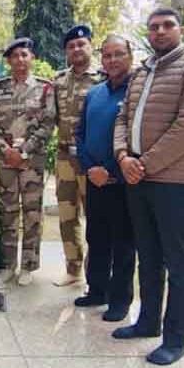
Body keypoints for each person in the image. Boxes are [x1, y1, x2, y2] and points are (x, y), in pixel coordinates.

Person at [112, 7, 184, 366]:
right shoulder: (142, 72)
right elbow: (123, 118)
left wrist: (144, 163)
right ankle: (147, 322)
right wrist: (123, 156)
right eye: (154, 27)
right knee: (148, 255)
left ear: (181, 30)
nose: (159, 31)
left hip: (175, 182)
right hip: (138, 178)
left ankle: (175, 340)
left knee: (178, 261)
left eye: (167, 25)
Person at [0, 37, 56, 285]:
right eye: (14, 56)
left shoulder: (45, 89)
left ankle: (28, 266)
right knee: (8, 213)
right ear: (9, 61)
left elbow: (48, 125)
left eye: (24, 54)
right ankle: (8, 264)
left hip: (31, 162)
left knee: (33, 214)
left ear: (32, 58)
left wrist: (23, 151)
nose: (20, 60)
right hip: (6, 163)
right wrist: (7, 152)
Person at [74, 35, 136, 320]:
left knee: (123, 242)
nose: (112, 60)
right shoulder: (95, 93)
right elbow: (80, 134)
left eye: (118, 54)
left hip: (122, 181)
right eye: (108, 55)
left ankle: (120, 300)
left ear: (130, 56)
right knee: (96, 237)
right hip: (94, 179)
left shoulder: (136, 91)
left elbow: (134, 136)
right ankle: (96, 290)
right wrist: (90, 168)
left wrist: (110, 170)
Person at [52, 24, 103, 287]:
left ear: (91, 46)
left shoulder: (103, 79)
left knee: (95, 217)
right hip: (64, 159)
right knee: (67, 215)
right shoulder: (59, 80)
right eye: (71, 46)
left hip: (91, 159)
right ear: (66, 52)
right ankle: (73, 271)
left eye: (81, 44)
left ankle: (96, 273)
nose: (76, 49)